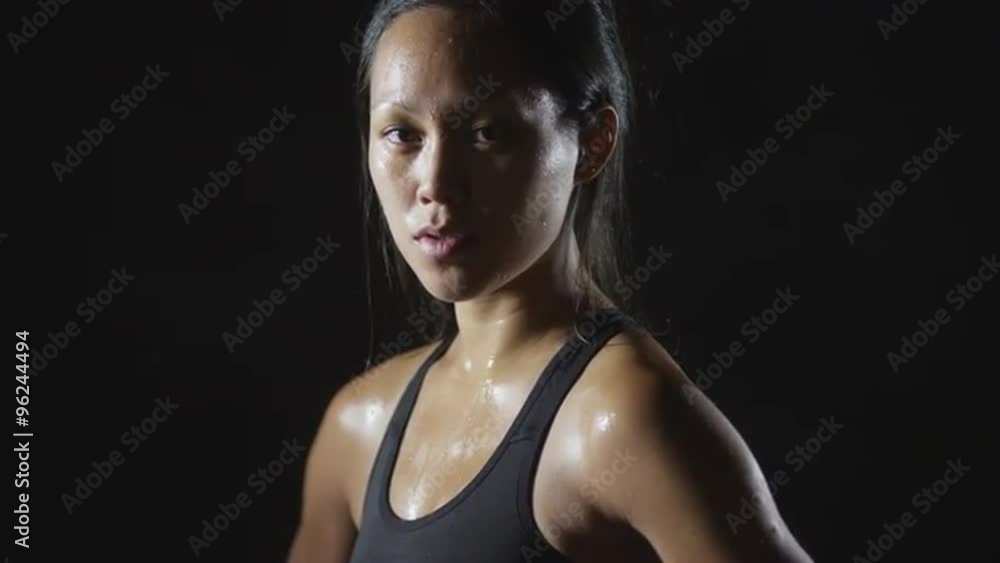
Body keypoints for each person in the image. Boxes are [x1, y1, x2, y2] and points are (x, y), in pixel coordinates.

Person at [288, 1, 813, 561]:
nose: (435, 184)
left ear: (592, 144)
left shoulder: (622, 418)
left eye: (487, 133)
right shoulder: (359, 427)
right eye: (402, 134)